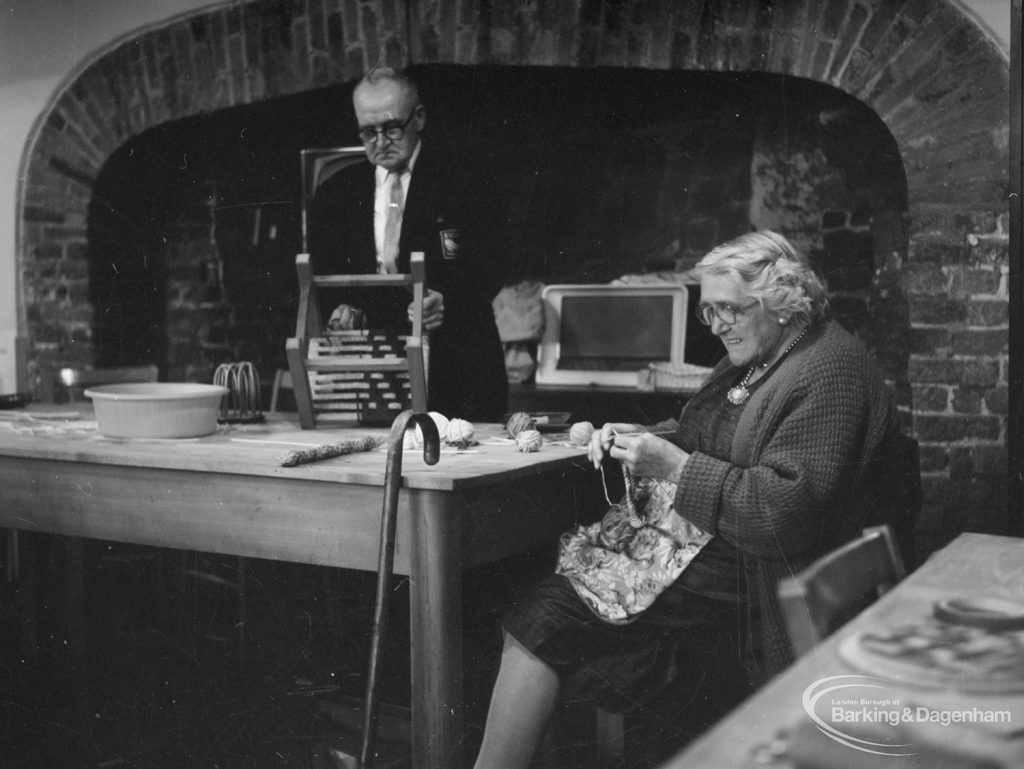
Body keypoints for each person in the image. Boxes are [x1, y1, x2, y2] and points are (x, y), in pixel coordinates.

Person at [472, 230, 905, 768]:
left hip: (768, 573)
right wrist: (638, 436)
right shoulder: (759, 353)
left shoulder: (828, 370)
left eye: (730, 310)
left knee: (547, 614)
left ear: (782, 303)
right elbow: (702, 430)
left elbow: (783, 515)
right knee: (551, 603)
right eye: (708, 312)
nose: (718, 325)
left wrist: (675, 467)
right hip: (727, 550)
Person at [307, 66, 508, 422]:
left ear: (419, 117)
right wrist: (342, 306)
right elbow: (324, 272)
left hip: (460, 367)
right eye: (368, 132)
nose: (381, 142)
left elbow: (494, 263)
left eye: (392, 128)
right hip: (376, 369)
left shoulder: (467, 179)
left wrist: (448, 299)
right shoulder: (336, 192)